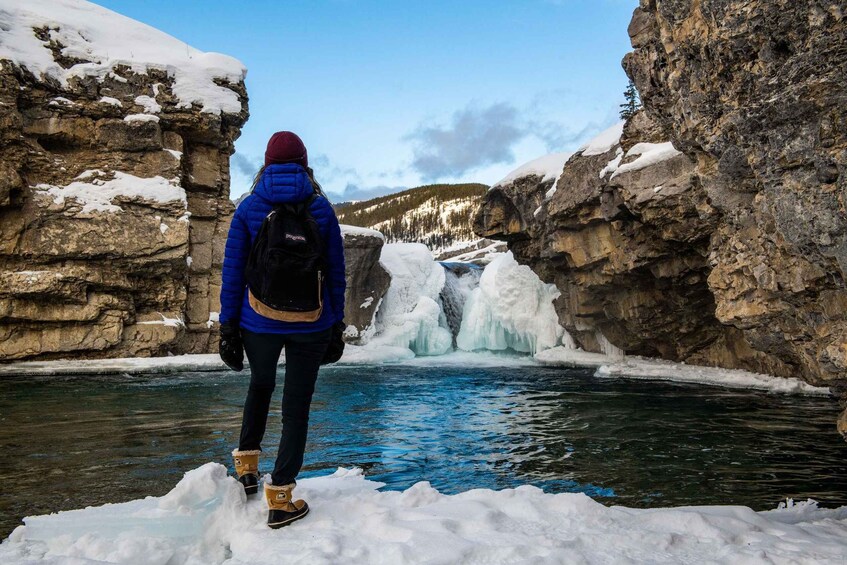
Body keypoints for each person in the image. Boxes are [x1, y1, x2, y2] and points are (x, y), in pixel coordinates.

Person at [218, 131, 346, 529]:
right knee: (297, 407)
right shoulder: (321, 210)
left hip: (257, 319)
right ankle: (281, 498)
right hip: (312, 322)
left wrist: (228, 328)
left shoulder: (250, 207)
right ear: (305, 163)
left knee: (260, 385)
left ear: (266, 164)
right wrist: (337, 325)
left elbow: (233, 273)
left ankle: (248, 469)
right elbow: (338, 274)